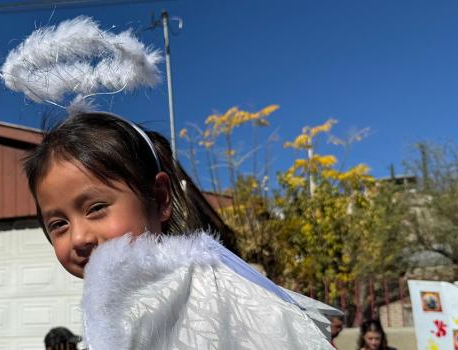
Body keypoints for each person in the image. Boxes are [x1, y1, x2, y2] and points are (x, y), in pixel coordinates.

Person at [22, 112, 337, 349]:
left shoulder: (213, 292)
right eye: (58, 224)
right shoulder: (107, 305)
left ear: (160, 199)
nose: (78, 237)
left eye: (96, 208)